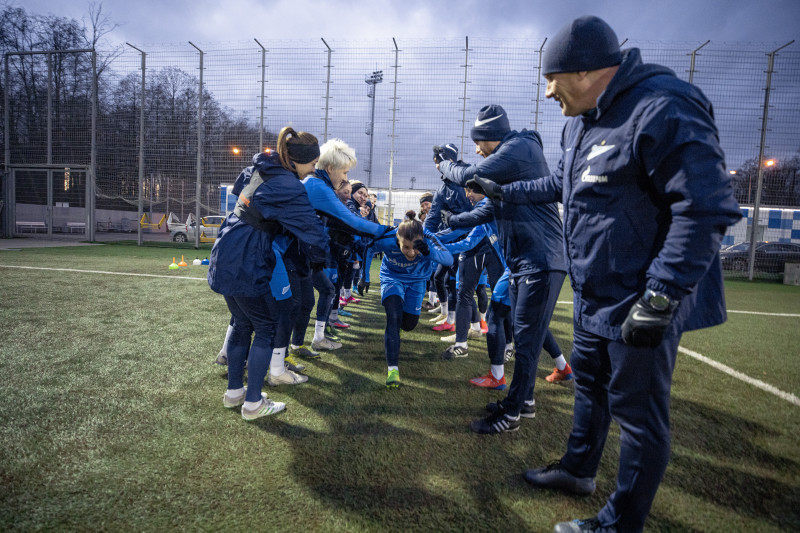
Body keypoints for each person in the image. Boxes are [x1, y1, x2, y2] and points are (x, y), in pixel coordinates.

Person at [473, 16, 742, 533]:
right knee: (589, 390)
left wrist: (660, 296)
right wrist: (504, 192)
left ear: (586, 70)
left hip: (640, 298)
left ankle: (620, 524)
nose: (547, 91)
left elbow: (705, 207)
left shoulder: (663, 105)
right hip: (593, 293)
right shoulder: (579, 121)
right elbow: (561, 185)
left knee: (639, 416)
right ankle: (578, 470)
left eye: (551, 78)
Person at [436, 104, 567, 435]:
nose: (478, 150)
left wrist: (444, 165)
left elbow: (468, 174)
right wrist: (451, 221)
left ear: (491, 136)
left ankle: (512, 414)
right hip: (526, 263)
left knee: (523, 339)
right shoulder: (509, 177)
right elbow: (479, 213)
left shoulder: (519, 148)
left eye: (479, 142)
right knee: (520, 333)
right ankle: (525, 402)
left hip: (541, 261)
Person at [207, 126, 329, 421]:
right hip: (247, 254)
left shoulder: (259, 167)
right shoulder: (289, 184)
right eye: (313, 164)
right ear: (299, 160)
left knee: (242, 323)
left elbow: (242, 197)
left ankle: (234, 393)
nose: (313, 170)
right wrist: (322, 254)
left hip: (226, 247)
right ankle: (252, 405)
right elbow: (312, 232)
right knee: (265, 328)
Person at [294, 139, 389, 354]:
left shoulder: (319, 184)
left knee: (317, 295)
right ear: (331, 168)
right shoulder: (317, 186)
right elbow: (352, 221)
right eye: (344, 172)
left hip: (304, 253)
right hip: (293, 253)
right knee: (283, 308)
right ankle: (277, 361)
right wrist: (389, 230)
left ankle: (303, 343)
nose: (346, 178)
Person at [371, 210, 453, 388]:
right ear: (398, 241)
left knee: (408, 325)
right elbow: (368, 247)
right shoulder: (388, 237)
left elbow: (448, 259)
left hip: (416, 282)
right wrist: (364, 277)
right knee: (393, 317)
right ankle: (393, 370)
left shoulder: (428, 237)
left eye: (415, 247)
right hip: (391, 278)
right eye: (405, 247)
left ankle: (399, 329)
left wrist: (428, 251)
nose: (411, 252)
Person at [425, 143, 472, 331]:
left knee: (463, 286)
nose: (436, 166)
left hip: (476, 242)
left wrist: (436, 238)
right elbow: (431, 219)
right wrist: (423, 237)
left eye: (437, 161)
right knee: (446, 280)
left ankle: (471, 326)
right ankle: (450, 319)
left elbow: (473, 219)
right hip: (454, 241)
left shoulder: (467, 176)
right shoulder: (443, 189)